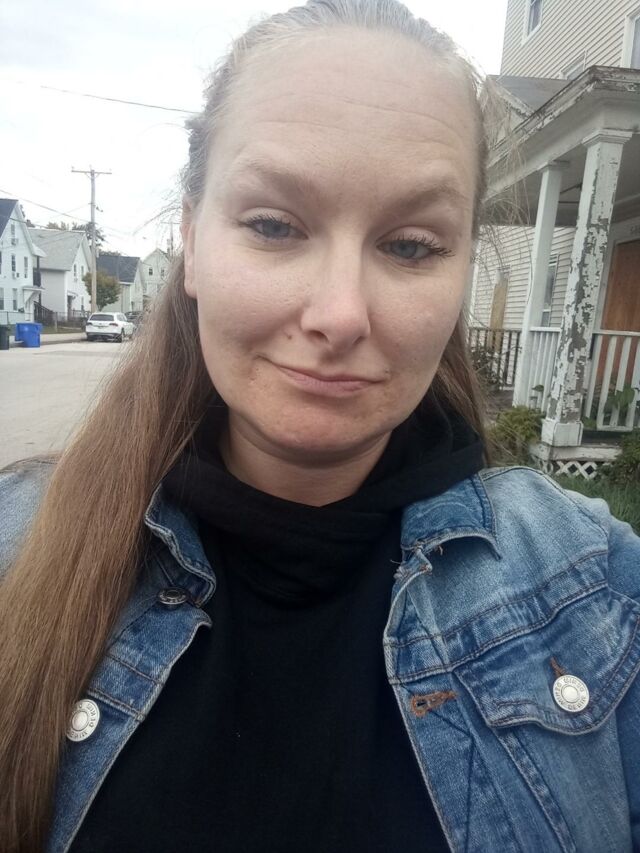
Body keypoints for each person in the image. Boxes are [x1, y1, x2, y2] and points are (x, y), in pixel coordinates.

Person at [1, 1, 639, 851]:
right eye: (274, 225)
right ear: (191, 239)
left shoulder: (600, 592)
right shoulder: (17, 552)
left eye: (410, 245)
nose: (340, 314)